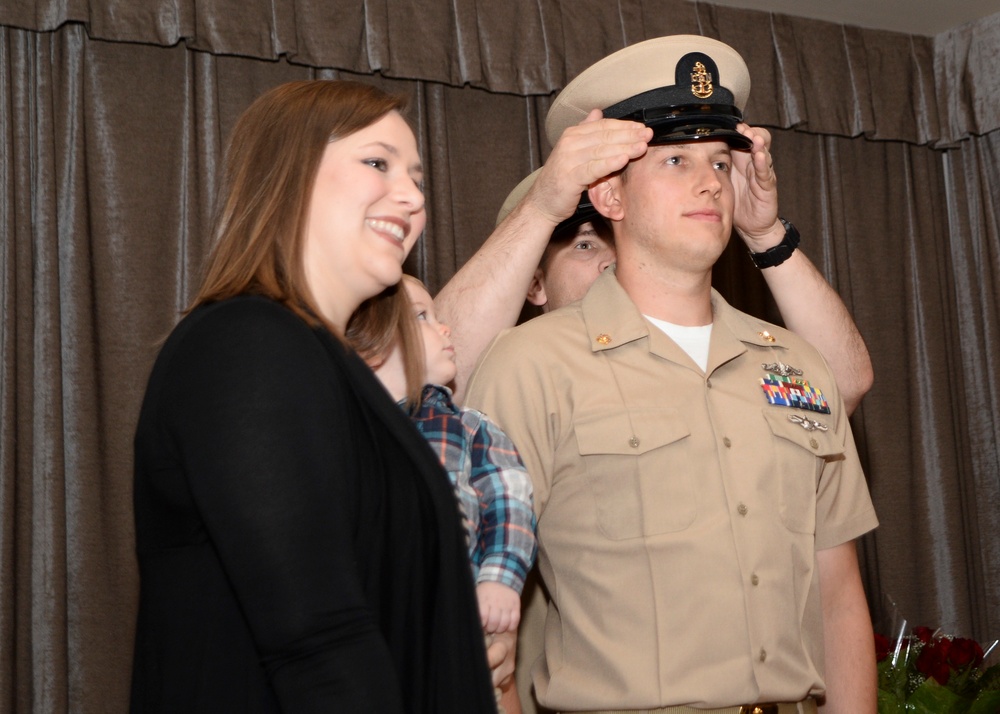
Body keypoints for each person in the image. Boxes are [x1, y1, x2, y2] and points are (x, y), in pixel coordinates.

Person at [465, 35, 878, 714]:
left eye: (720, 159)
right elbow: (474, 603)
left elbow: (838, 594)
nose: (710, 180)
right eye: (676, 159)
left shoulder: (795, 364)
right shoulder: (531, 366)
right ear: (610, 195)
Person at [130, 80, 497, 712]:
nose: (411, 197)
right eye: (377, 163)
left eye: (416, 177)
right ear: (290, 175)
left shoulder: (331, 370)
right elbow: (317, 642)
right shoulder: (247, 343)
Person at [347, 275, 537, 637]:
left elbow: (509, 499)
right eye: (422, 317)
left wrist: (499, 578)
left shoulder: (467, 427)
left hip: (452, 616)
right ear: (367, 343)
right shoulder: (335, 429)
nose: (445, 328)